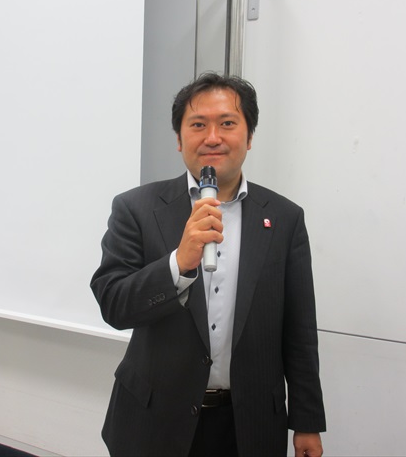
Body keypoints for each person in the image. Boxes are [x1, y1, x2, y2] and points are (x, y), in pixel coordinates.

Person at [90, 72, 326, 457]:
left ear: (249, 136)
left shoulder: (284, 218)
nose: (212, 137)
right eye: (198, 125)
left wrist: (307, 422)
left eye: (227, 123)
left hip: (248, 424)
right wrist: (178, 264)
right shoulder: (136, 208)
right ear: (179, 138)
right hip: (154, 421)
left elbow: (299, 330)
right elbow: (113, 304)